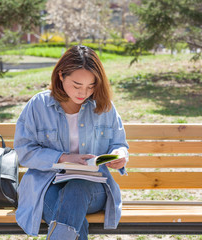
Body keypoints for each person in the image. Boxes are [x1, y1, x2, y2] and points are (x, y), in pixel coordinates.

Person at [14, 45, 129, 240]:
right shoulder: (38, 106)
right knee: (69, 212)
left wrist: (119, 155)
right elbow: (24, 151)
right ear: (61, 76)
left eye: (91, 86)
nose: (83, 92)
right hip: (46, 185)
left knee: (77, 188)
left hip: (92, 188)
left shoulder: (104, 107)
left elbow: (119, 144)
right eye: (77, 85)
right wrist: (64, 158)